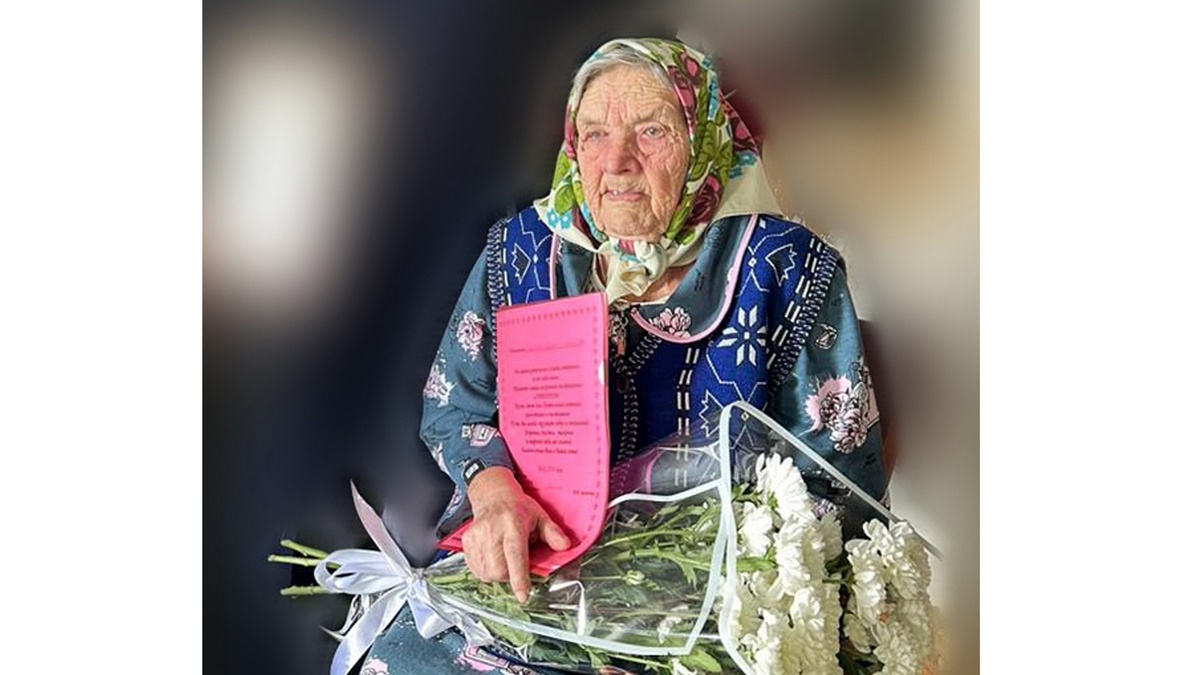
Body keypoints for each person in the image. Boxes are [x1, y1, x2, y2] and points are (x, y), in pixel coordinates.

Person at [366, 37, 886, 675]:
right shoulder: (522, 250)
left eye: (651, 131)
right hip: (526, 584)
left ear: (702, 140)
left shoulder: (784, 266)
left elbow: (838, 477)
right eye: (594, 134)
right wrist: (494, 491)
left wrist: (724, 589)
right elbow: (455, 404)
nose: (616, 161)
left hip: (708, 610)